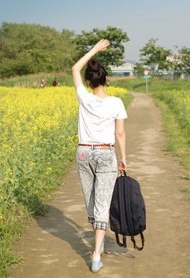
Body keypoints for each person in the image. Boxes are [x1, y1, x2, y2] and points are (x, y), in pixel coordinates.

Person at [72, 39, 127, 273]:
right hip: (106, 153)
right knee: (102, 203)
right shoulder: (116, 102)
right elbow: (120, 132)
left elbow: (75, 68)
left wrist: (94, 49)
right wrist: (124, 158)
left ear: (89, 81)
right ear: (106, 79)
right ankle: (96, 254)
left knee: (91, 201)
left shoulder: (84, 97)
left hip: (84, 152)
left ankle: (98, 239)